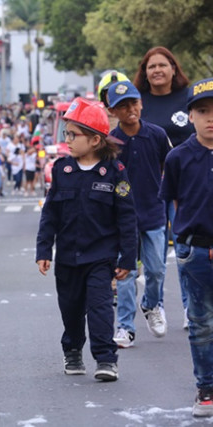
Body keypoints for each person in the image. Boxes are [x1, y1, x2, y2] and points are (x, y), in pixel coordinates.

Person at [36, 97, 137, 382]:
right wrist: (44, 249)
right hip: (67, 257)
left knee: (100, 308)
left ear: (94, 140)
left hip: (100, 257)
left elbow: (127, 218)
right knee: (70, 310)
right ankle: (72, 350)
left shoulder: (115, 173)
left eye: (73, 134)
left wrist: (127, 257)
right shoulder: (61, 170)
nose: (67, 139)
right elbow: (50, 214)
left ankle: (106, 359)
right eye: (66, 133)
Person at [159, 77, 213, 417]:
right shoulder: (178, 158)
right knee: (201, 321)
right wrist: (184, 244)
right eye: (203, 110)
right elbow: (174, 203)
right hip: (194, 252)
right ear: (190, 116)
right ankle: (205, 388)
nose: (210, 118)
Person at [106, 81, 172, 348]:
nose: (130, 109)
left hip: (154, 213)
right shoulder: (109, 142)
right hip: (122, 219)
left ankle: (151, 304)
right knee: (125, 273)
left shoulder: (157, 134)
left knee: (156, 270)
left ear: (141, 104)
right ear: (113, 110)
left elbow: (172, 166)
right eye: (122, 106)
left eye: (133, 103)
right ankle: (125, 326)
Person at [133, 46, 195, 328]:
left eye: (162, 65)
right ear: (144, 73)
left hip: (187, 187)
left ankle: (190, 308)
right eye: (151, 66)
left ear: (173, 68)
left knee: (186, 248)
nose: (156, 70)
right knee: (155, 258)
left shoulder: (188, 98)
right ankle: (154, 305)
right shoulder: (137, 101)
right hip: (149, 190)